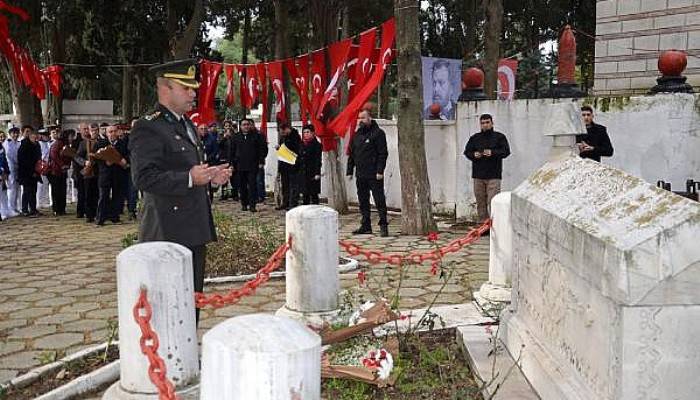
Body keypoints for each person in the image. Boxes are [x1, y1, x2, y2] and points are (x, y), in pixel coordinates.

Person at [129, 59, 231, 324]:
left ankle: (185, 360)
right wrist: (188, 177)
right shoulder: (148, 127)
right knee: (167, 308)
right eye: (186, 88)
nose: (193, 93)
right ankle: (165, 363)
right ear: (165, 89)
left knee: (190, 302)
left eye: (193, 88)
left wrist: (211, 178)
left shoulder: (185, 124)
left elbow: (191, 171)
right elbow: (143, 177)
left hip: (193, 227)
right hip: (167, 230)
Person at [347, 109, 389, 237]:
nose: (361, 121)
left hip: (374, 174)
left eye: (363, 118)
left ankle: (383, 225)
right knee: (363, 200)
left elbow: (383, 153)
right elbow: (352, 154)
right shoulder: (357, 135)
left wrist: (380, 170)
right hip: (361, 174)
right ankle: (366, 225)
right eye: (359, 118)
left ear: (370, 118)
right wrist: (350, 170)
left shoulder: (378, 133)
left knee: (379, 200)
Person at [463, 114, 510, 224]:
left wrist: (492, 152)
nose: (485, 125)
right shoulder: (475, 138)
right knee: (480, 202)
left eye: (487, 122)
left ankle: (495, 225)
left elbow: (506, 151)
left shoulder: (499, 137)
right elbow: (467, 152)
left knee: (493, 201)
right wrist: (474, 154)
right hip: (478, 175)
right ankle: (482, 226)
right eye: (482, 123)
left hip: (494, 175)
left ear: (492, 123)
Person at [94, 124, 129, 225]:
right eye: (110, 132)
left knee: (117, 197)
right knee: (103, 196)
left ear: (117, 132)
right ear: (106, 133)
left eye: (114, 131)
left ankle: (115, 217)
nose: (113, 134)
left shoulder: (123, 143)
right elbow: (94, 157)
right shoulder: (100, 143)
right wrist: (105, 162)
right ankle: (100, 219)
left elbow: (128, 155)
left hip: (118, 174)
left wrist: (124, 160)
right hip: (105, 174)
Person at [231, 118, 267, 212]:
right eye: (244, 125)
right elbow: (231, 151)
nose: (246, 126)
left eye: (247, 124)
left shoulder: (256, 136)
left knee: (252, 185)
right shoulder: (236, 137)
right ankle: (244, 204)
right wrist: (231, 163)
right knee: (242, 186)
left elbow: (262, 150)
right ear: (240, 126)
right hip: (240, 165)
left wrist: (261, 162)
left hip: (252, 165)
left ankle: (252, 205)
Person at [276, 122, 302, 210]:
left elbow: (296, 149)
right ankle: (285, 202)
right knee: (285, 186)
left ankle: (293, 203)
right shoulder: (282, 138)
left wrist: (284, 148)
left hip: (293, 165)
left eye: (283, 131)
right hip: (284, 165)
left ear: (287, 129)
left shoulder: (295, 136)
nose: (282, 133)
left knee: (293, 186)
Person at [17, 125, 42, 217]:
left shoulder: (36, 144)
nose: (29, 133)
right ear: (23, 133)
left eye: (30, 132)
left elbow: (38, 157)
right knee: (27, 191)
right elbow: (23, 161)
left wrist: (37, 170)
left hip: (35, 172)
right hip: (26, 173)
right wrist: (31, 172)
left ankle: (33, 209)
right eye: (26, 131)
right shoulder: (23, 145)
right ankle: (24, 209)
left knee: (33, 191)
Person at [47, 129, 72, 216]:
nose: (71, 138)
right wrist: (62, 165)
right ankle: (56, 209)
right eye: (70, 136)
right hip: (55, 170)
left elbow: (69, 155)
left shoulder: (66, 144)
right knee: (56, 190)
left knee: (62, 190)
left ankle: (62, 208)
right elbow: (54, 155)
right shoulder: (58, 143)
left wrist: (67, 165)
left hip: (63, 170)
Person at [299, 124, 322, 205]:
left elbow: (318, 160)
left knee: (314, 194)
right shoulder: (301, 144)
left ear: (313, 133)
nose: (306, 134)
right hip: (303, 172)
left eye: (308, 132)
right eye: (304, 132)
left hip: (312, 172)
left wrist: (317, 173)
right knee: (305, 194)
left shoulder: (317, 145)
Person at [2, 127, 21, 215]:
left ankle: (15, 207)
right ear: (10, 134)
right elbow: (10, 155)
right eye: (13, 133)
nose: (15, 135)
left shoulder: (18, 143)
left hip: (17, 167)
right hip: (10, 167)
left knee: (17, 188)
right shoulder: (7, 143)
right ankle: (11, 208)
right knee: (12, 188)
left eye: (17, 133)